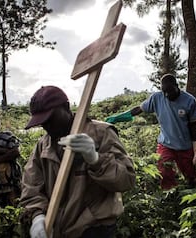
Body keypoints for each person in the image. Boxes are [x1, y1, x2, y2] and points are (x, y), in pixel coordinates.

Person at [20, 86, 136, 238]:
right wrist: (37, 216)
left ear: (66, 108)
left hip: (95, 228)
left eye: (50, 119)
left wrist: (95, 159)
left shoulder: (101, 133)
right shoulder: (43, 145)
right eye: (41, 122)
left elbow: (126, 180)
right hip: (57, 229)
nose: (46, 126)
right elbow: (31, 186)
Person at [106, 74, 196, 190]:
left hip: (184, 146)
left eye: (170, 91)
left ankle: (193, 194)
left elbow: (193, 128)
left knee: (190, 175)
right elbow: (139, 109)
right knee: (164, 173)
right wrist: (120, 117)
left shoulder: (189, 101)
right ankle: (170, 195)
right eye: (164, 92)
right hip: (166, 144)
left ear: (177, 86)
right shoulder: (157, 98)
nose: (167, 95)